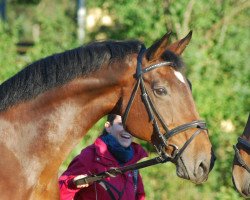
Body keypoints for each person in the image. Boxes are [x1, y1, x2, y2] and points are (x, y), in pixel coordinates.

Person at [59, 114, 148, 200]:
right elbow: (58, 193)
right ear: (108, 126)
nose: (128, 129)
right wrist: (72, 184)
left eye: (131, 125)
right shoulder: (90, 156)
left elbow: (140, 196)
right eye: (122, 124)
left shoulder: (133, 161)